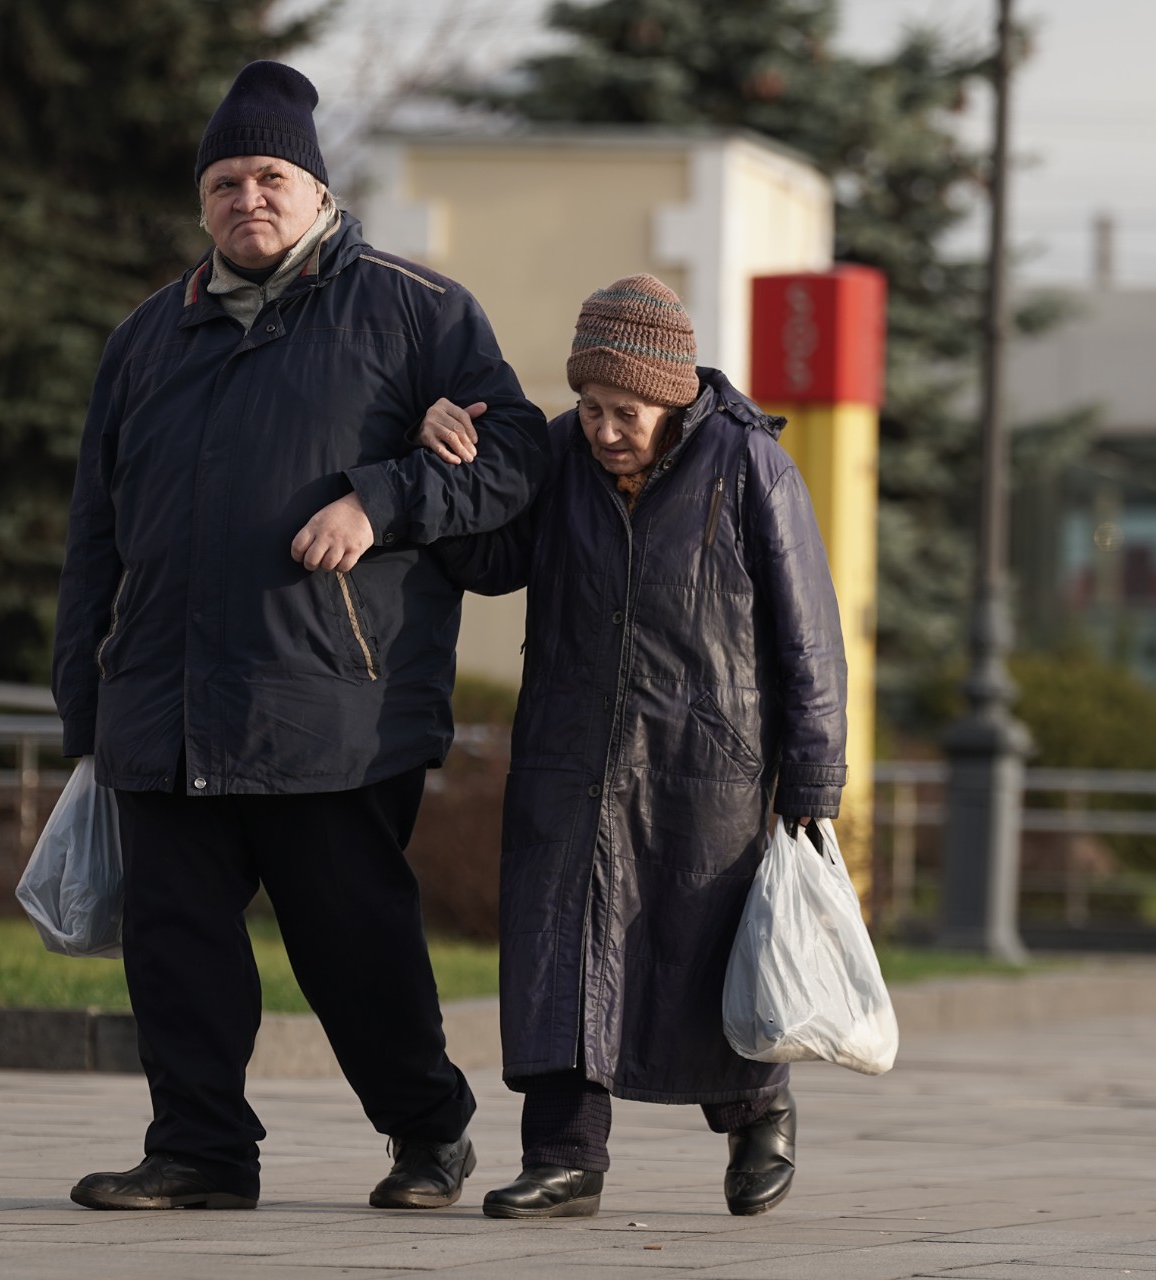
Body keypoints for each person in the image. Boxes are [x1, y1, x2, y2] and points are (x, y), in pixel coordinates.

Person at [51, 61, 548, 1213]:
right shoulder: (144, 339)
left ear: (318, 189)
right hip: (161, 704)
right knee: (174, 945)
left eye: (271, 175)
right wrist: (85, 704)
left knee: (352, 943)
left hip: (331, 703)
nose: (247, 198)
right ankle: (200, 1149)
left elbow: (513, 457)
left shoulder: (417, 309)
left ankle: (428, 1131)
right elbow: (93, 534)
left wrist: (383, 498)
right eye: (224, 181)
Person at [424, 275, 847, 1220]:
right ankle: (565, 1158)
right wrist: (449, 473)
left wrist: (813, 779)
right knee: (560, 952)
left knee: (701, 959)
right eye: (589, 406)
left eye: (625, 411)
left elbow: (808, 638)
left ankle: (758, 1115)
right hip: (569, 755)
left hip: (708, 766)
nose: (603, 428)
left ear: (674, 397)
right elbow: (493, 562)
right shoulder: (560, 455)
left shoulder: (749, 466)